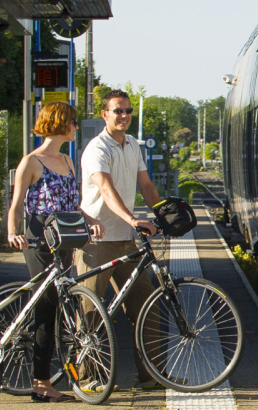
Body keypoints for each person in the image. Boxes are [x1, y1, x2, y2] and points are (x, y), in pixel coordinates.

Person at [5, 101, 101, 403]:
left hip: (64, 239)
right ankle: (41, 383)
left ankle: (47, 377)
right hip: (38, 240)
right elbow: (17, 203)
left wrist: (90, 220)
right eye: (73, 123)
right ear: (60, 124)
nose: (75, 128)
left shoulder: (68, 161)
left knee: (58, 307)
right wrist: (13, 233)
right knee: (45, 308)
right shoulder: (32, 162)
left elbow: (73, 205)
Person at [77, 90, 162, 386]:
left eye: (127, 111)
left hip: (126, 240)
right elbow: (105, 188)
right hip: (96, 242)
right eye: (118, 111)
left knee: (146, 305)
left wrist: (163, 212)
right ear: (105, 114)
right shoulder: (96, 149)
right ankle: (88, 378)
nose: (124, 116)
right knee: (91, 310)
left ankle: (151, 375)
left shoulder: (132, 146)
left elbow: (146, 184)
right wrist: (132, 218)